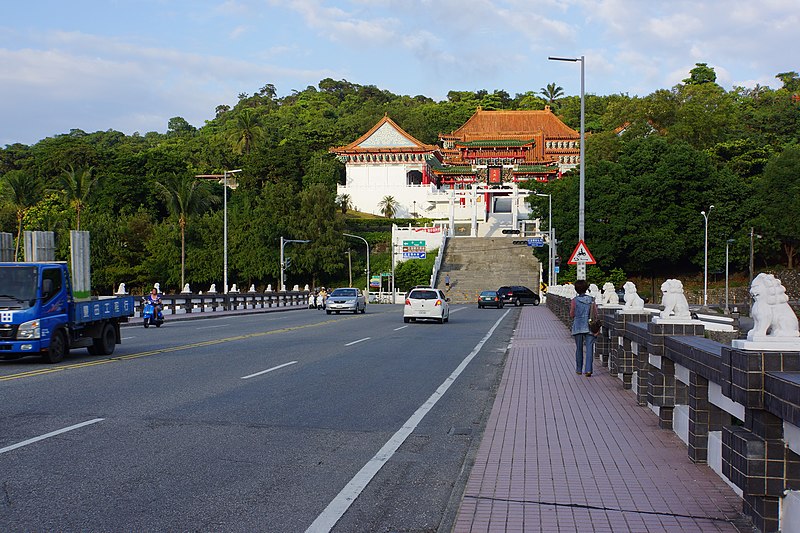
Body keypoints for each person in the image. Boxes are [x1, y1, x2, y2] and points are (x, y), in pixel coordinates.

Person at [569, 279, 598, 377]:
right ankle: (588, 370)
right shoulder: (592, 300)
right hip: (589, 327)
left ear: (576, 289)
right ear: (586, 288)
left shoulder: (574, 301)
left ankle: (578, 369)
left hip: (578, 327)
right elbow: (595, 314)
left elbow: (572, 314)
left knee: (579, 348)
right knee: (589, 348)